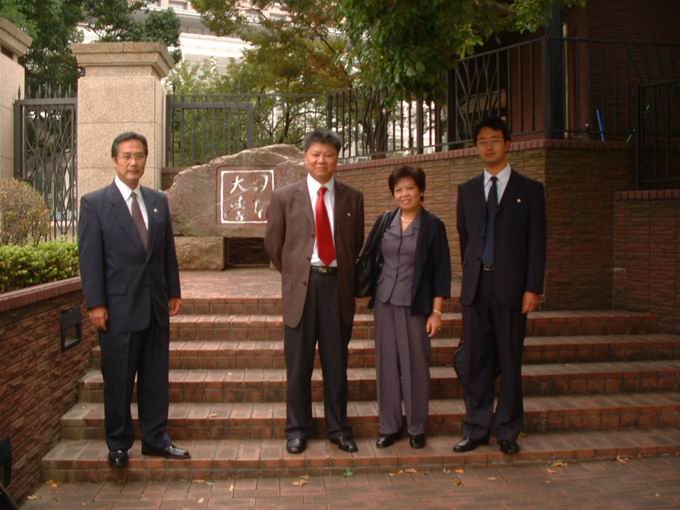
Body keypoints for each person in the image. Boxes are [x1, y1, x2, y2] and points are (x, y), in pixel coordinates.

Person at [78, 132, 190, 467]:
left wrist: (173, 290)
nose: (133, 162)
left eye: (139, 155)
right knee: (119, 381)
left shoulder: (157, 201)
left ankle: (156, 439)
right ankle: (118, 444)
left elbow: (166, 251)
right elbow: (90, 259)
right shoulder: (95, 204)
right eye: (126, 156)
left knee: (155, 379)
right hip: (118, 310)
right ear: (115, 160)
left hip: (155, 307)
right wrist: (96, 303)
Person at [264, 128, 364, 454]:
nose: (322, 160)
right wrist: (296, 273)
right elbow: (274, 245)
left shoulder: (352, 197)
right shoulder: (284, 197)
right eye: (316, 154)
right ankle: (297, 429)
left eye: (329, 155)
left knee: (336, 364)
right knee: (298, 366)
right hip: (302, 290)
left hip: (337, 288)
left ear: (337, 158)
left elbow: (355, 243)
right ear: (305, 157)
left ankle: (339, 428)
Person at [454, 116, 546, 455]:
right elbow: (465, 239)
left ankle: (508, 429)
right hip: (477, 286)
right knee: (476, 360)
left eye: (494, 139)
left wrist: (533, 287)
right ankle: (476, 428)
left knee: (509, 360)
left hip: (512, 288)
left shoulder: (530, 190)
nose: (488, 146)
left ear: (508, 144)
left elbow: (537, 242)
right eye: (482, 141)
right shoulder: (466, 191)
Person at [371, 166, 451, 449]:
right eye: (398, 189)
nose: (404, 194)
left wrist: (436, 312)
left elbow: (442, 272)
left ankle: (416, 427)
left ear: (421, 191)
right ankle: (389, 426)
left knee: (415, 366)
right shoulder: (385, 221)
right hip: (384, 302)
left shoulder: (433, 226)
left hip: (415, 306)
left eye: (409, 188)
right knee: (387, 366)